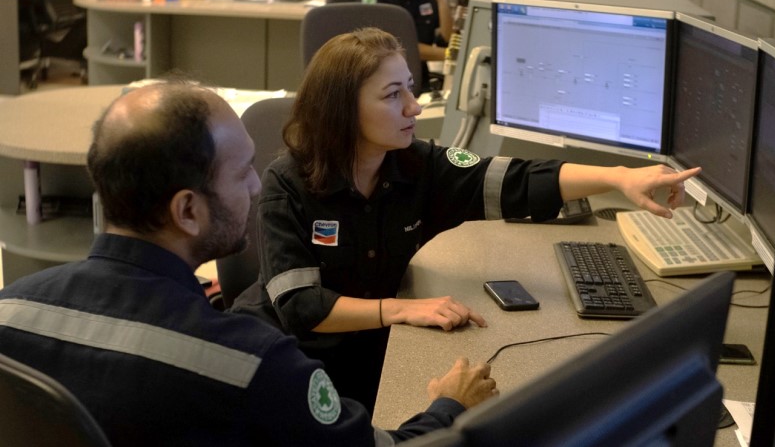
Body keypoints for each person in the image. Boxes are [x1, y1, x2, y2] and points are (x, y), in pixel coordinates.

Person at [231, 27, 702, 414]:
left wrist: (618, 178)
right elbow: (300, 307)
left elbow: (518, 181)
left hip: (369, 347)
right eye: (393, 96)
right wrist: (401, 309)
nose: (414, 108)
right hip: (287, 359)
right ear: (342, 110)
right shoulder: (288, 182)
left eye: (410, 89)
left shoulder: (416, 165)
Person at [0, 81, 499, 446]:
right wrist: (450, 406)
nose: (259, 187)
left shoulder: (10, 309)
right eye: (242, 174)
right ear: (187, 211)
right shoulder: (252, 365)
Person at [358, 0, 452, 92]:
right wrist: (450, 55)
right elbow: (395, 48)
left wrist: (442, 1)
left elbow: (447, 38)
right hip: (385, 80)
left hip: (420, 79)